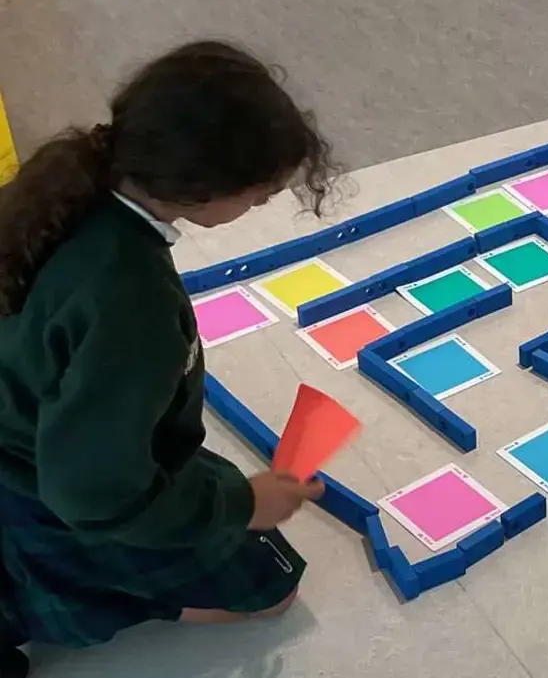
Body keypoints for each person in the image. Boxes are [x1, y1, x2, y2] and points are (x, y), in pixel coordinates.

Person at [0, 41, 340, 678]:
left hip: (41, 435)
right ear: (202, 190)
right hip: (46, 486)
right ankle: (71, 592)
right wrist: (241, 506)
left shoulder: (65, 195)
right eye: (260, 197)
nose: (260, 207)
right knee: (274, 588)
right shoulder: (132, 299)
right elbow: (91, 492)